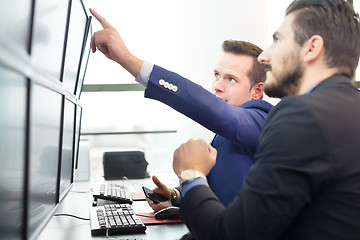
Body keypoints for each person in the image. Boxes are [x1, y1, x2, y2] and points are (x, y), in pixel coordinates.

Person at [171, 0, 360, 239]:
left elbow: (232, 234)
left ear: (312, 48)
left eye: (278, 40)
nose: (265, 56)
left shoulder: (301, 115)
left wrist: (191, 174)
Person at [89, 9, 273, 208]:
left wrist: (126, 58)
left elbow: (211, 108)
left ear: (256, 91)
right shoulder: (224, 134)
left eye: (231, 79)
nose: (217, 86)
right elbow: (215, 192)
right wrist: (174, 196)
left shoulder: (262, 121)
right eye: (217, 75)